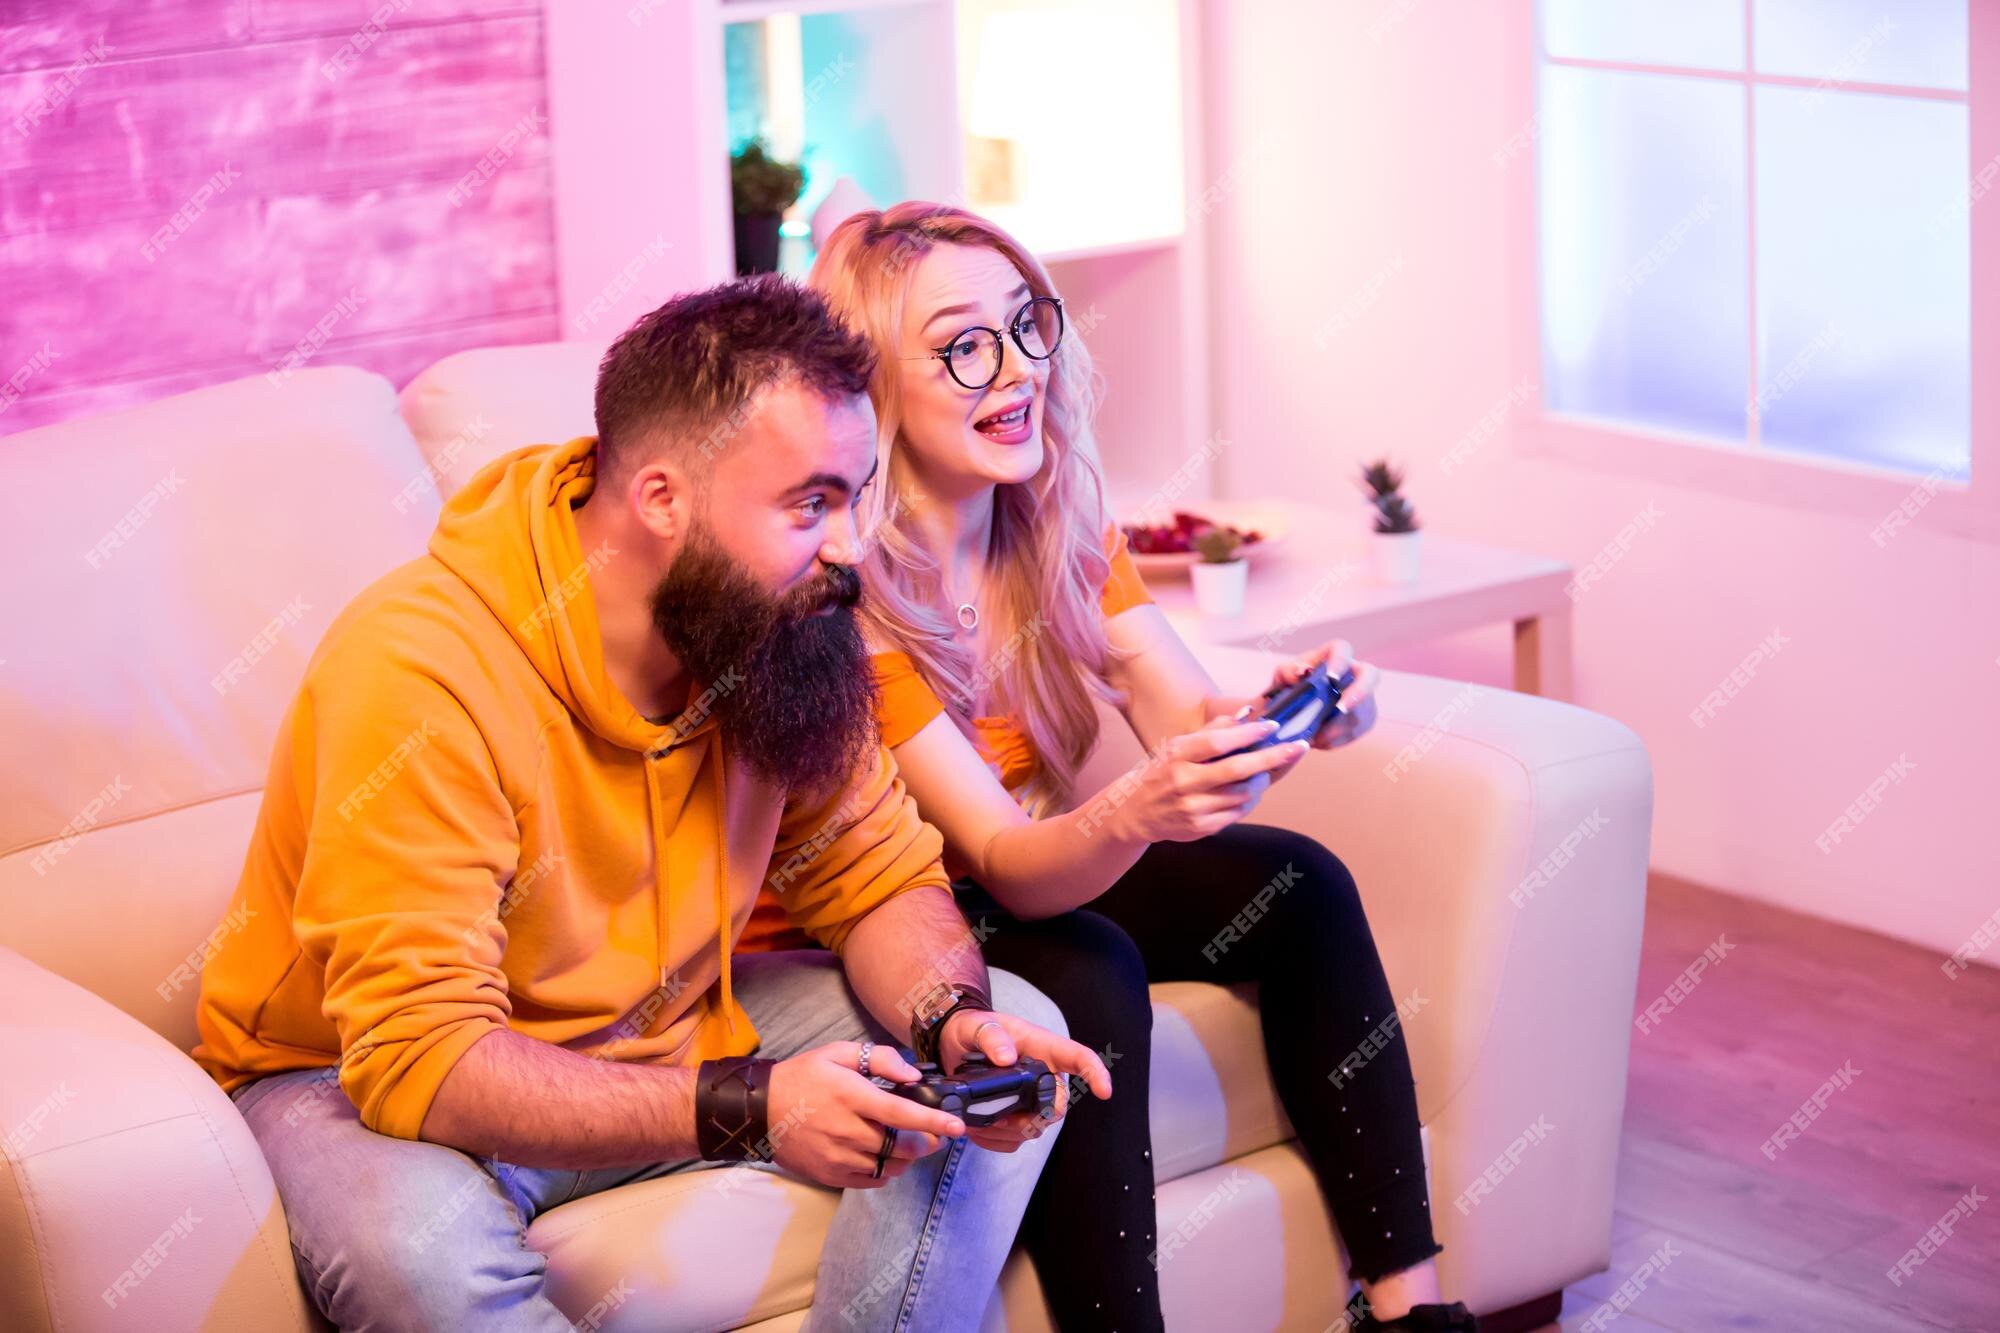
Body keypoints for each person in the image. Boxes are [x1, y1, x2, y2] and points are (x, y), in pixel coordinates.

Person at [191, 274, 1111, 1333]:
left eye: (855, 495)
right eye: (810, 503)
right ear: (663, 499)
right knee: (423, 1257)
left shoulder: (778, 623)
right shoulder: (418, 668)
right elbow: (421, 1055)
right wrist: (751, 1106)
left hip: (663, 1024)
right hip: (354, 1073)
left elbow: (877, 880)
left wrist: (950, 1018)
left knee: (1015, 1029)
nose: (852, 549)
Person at [736, 204, 1478, 1333]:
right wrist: (1139, 804)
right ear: (874, 384)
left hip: (1011, 867)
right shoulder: (847, 595)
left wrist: (1282, 719)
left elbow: (1187, 710)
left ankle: (1410, 1314)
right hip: (888, 913)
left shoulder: (1059, 528)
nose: (1018, 368)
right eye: (963, 345)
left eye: (1026, 325)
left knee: (1299, 883)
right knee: (1083, 964)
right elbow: (999, 863)